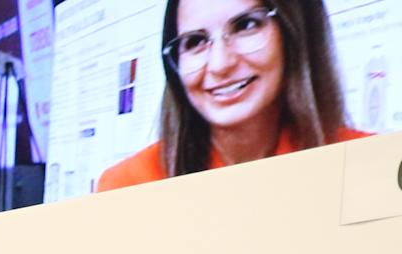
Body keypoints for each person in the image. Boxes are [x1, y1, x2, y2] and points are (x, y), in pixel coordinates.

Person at [100, 0, 370, 189]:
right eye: (195, 41)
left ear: (294, 31)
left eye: (246, 25)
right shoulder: (129, 185)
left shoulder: (371, 166)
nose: (220, 64)